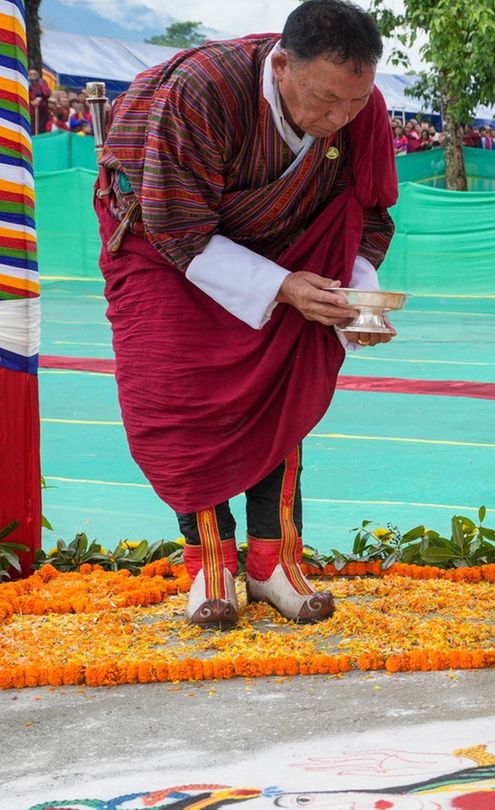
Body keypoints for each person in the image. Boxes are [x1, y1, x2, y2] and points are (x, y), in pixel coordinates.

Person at [95, 0, 397, 628]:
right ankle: (212, 563)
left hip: (285, 244)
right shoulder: (203, 91)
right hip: (159, 235)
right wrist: (282, 286)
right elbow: (178, 230)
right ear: (282, 65)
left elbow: (364, 211)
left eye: (354, 103)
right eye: (326, 102)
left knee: (284, 379)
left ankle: (273, 562)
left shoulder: (358, 105)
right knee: (176, 389)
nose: (339, 119)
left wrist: (354, 295)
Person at [28, 68, 51, 134]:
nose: (33, 75)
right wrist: (31, 102)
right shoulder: (26, 83)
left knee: (41, 129)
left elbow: (46, 92)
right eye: (31, 74)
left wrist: (39, 99)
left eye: (34, 74)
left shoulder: (42, 82)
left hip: (41, 111)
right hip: (30, 110)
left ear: (38, 75)